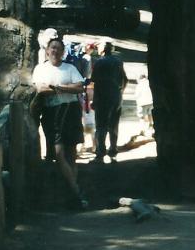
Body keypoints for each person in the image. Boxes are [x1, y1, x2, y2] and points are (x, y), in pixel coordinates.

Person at [32, 37, 88, 209]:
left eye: (58, 49)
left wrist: (58, 88)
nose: (55, 51)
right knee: (58, 152)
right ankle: (76, 192)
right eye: (52, 48)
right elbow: (41, 89)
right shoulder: (40, 69)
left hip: (70, 110)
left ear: (63, 52)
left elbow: (80, 87)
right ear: (47, 51)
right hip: (52, 112)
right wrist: (65, 88)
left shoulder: (69, 68)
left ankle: (72, 197)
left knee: (71, 153)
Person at [91, 38, 128, 163]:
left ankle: (100, 152)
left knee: (101, 126)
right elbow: (125, 80)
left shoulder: (98, 62)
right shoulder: (118, 61)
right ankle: (113, 149)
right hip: (116, 96)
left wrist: (94, 99)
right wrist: (120, 92)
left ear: (102, 49)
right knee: (114, 125)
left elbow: (95, 82)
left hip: (102, 97)